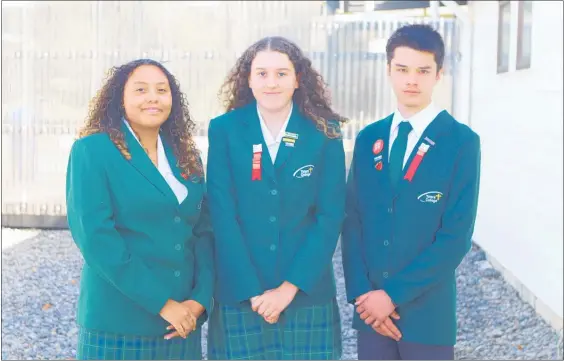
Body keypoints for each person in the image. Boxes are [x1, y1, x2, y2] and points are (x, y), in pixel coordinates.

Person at [341, 24, 481, 360]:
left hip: (427, 316)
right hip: (371, 313)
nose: (411, 80)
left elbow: (455, 237)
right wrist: (364, 296)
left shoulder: (461, 141)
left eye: (423, 70)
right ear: (388, 70)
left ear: (439, 74)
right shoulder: (368, 139)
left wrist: (392, 296)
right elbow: (352, 221)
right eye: (402, 69)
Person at [205, 36, 347, 360]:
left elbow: (330, 216)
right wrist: (253, 291)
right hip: (241, 294)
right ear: (248, 79)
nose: (272, 83)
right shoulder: (224, 130)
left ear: (298, 78)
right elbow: (222, 214)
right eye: (262, 73)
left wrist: (288, 289)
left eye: (282, 73)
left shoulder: (324, 131)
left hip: (305, 294)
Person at [65, 58, 214, 360]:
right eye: (141, 89)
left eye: (162, 89)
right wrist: (163, 303)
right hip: (119, 322)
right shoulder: (92, 151)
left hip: (182, 321)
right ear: (119, 97)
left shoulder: (187, 155)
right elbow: (96, 239)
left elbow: (204, 232)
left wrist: (199, 300)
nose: (153, 97)